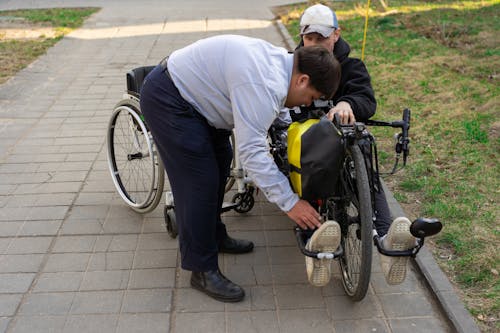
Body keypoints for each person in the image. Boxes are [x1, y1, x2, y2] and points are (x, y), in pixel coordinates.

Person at [139, 34, 341, 302]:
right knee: (199, 183)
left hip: (201, 103)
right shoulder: (260, 81)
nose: (306, 104)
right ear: (302, 80)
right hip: (170, 99)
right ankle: (201, 269)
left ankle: (214, 237)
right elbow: (253, 153)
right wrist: (290, 203)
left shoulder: (284, 65)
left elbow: (275, 105)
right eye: (310, 97)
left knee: (221, 162)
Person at [294, 4, 416, 286]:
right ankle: (313, 242)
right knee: (302, 154)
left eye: (320, 38)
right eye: (308, 38)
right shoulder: (294, 63)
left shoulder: (351, 66)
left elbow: (366, 100)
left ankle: (386, 240)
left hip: (343, 141)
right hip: (307, 143)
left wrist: (347, 103)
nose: (313, 45)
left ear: (336, 34)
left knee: (363, 146)